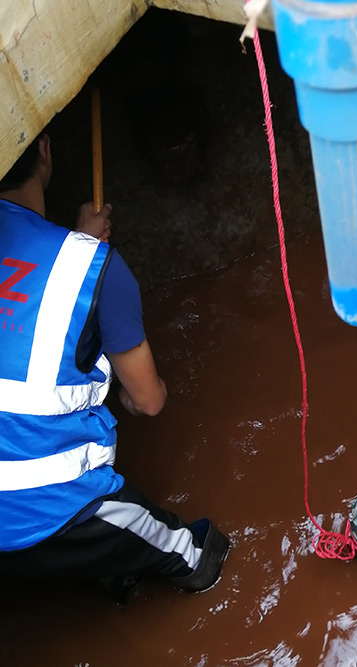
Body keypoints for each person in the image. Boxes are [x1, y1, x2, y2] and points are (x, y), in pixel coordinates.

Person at [0, 132, 229, 600]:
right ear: (45, 148)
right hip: (43, 509)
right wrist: (121, 394)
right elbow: (149, 401)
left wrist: (77, 243)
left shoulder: (83, 259)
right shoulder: (96, 267)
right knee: (200, 556)